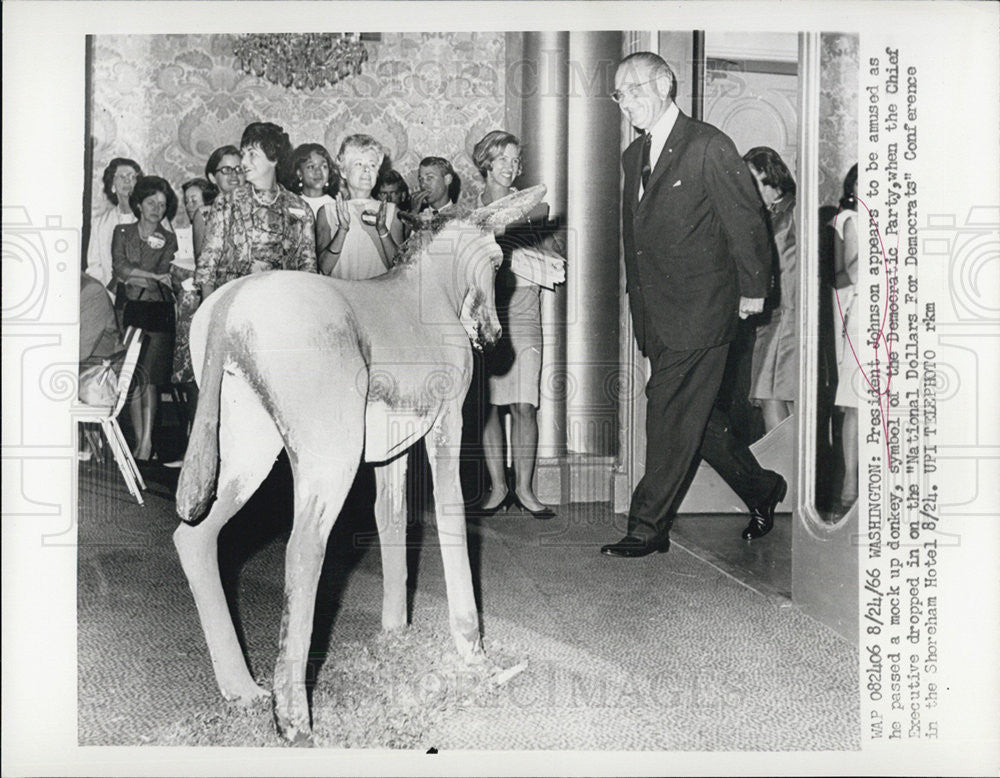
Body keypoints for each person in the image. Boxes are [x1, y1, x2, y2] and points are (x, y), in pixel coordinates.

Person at [602, 52, 787, 557]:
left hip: (703, 308)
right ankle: (761, 488)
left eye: (636, 89)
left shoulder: (708, 144)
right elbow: (634, 237)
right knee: (693, 418)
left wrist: (753, 290)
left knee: (665, 408)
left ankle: (647, 527)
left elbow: (746, 221)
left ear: (666, 85)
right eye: (620, 94)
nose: (627, 102)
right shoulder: (632, 155)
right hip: (655, 310)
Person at [472, 130, 565, 519]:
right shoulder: (469, 210)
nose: (511, 167)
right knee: (488, 407)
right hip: (485, 309)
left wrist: (541, 244)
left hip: (524, 306)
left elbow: (554, 254)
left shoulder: (535, 206)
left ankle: (526, 490)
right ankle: (498, 488)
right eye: (503, 160)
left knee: (525, 403)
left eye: (515, 160)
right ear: (487, 163)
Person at [195, 123, 317, 299]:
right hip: (234, 302)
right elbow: (207, 266)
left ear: (274, 159)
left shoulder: (300, 208)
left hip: (283, 302)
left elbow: (308, 268)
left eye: (252, 154)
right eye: (243, 154)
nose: (244, 162)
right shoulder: (227, 202)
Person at [111, 175, 179, 462]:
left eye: (162, 204)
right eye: (151, 202)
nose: (157, 209)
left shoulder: (169, 238)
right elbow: (120, 269)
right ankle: (138, 442)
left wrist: (138, 277)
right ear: (139, 204)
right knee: (133, 379)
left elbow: (161, 280)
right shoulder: (122, 231)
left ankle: (147, 444)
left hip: (157, 312)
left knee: (150, 380)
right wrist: (147, 276)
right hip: (129, 310)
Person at [743, 147, 798, 432]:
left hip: (788, 317)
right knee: (773, 395)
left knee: (772, 394)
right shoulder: (767, 215)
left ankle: (785, 472)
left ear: (769, 176)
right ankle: (785, 471)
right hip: (771, 318)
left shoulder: (792, 212)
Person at [316, 134, 403, 280]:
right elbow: (324, 269)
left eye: (372, 165)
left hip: (379, 296)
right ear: (343, 171)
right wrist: (342, 230)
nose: (366, 170)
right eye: (358, 164)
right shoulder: (327, 211)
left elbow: (399, 269)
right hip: (342, 297)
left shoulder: (392, 211)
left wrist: (382, 231)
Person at [832, 164, 860, 511]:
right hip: (863, 314)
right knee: (855, 403)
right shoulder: (851, 220)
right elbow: (848, 274)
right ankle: (849, 484)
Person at [86, 158, 143, 290]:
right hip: (110, 298)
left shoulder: (151, 218)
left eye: (132, 177)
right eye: (122, 176)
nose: (127, 180)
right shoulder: (100, 223)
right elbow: (95, 269)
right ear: (112, 185)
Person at [192, 145, 246, 259]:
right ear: (212, 178)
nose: (234, 175)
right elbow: (202, 260)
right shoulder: (204, 214)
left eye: (239, 169)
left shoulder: (257, 208)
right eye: (226, 170)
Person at [287, 142, 338, 217]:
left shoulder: (334, 206)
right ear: (299, 173)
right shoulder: (292, 204)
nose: (318, 171)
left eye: (324, 166)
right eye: (311, 167)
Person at [411, 156, 459, 222]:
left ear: (447, 180)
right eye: (421, 179)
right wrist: (413, 214)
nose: (423, 185)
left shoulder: (462, 217)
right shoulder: (416, 216)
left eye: (429, 178)